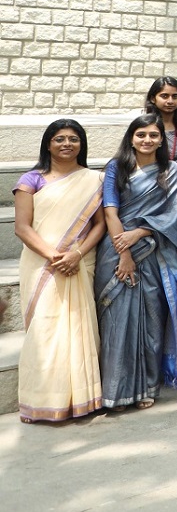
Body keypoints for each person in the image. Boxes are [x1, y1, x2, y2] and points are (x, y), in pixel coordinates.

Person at [13, 120, 106, 422]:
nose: (67, 144)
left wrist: (76, 254)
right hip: (42, 263)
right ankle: (39, 402)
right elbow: (22, 228)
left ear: (82, 144)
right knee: (44, 330)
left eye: (74, 139)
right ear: (48, 144)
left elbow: (100, 225)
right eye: (59, 139)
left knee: (79, 327)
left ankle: (82, 399)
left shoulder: (94, 180)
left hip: (79, 261)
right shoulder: (31, 180)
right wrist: (56, 256)